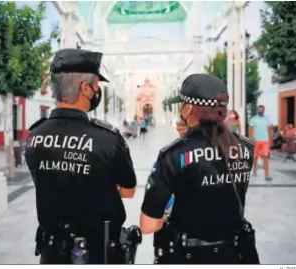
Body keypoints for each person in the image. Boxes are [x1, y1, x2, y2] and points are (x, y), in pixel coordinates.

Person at [25, 48, 138, 264]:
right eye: (96, 86)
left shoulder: (34, 136)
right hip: (99, 253)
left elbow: (46, 179)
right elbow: (128, 191)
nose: (97, 91)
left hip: (52, 254)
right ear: (85, 88)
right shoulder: (108, 139)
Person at [140, 74, 259, 264]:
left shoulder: (173, 155)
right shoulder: (246, 148)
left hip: (188, 256)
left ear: (187, 109)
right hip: (236, 253)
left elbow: (147, 225)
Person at [249, 105, 273, 181]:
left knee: (265, 157)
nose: (260, 111)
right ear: (257, 110)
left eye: (262, 110)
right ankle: (255, 171)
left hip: (265, 141)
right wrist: (251, 138)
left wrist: (271, 140)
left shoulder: (267, 119)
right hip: (256, 141)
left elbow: (270, 130)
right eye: (259, 109)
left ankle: (267, 175)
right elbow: (250, 129)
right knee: (255, 157)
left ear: (264, 110)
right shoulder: (253, 119)